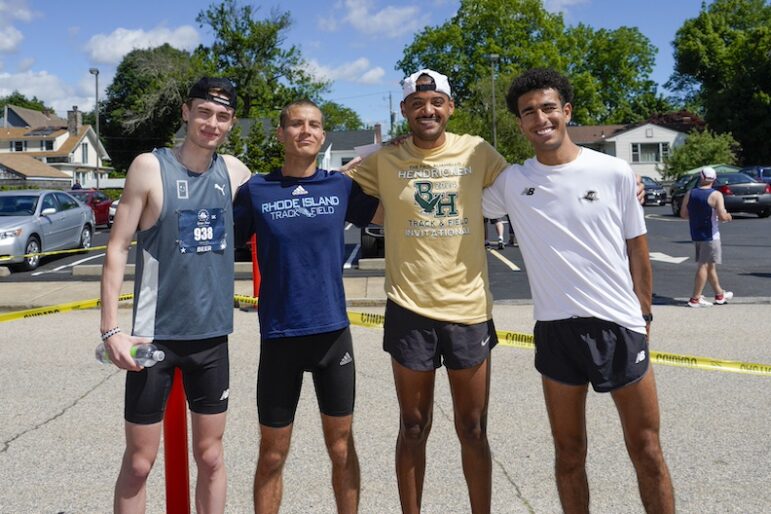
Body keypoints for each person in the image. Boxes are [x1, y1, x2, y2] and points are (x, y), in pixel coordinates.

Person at [483, 68, 675, 514]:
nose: (540, 118)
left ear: (566, 111)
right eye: (528, 111)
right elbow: (450, 186)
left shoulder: (613, 171)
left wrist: (643, 316)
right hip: (556, 331)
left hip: (620, 325)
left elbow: (638, 250)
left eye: (548, 107)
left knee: (646, 450)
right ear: (519, 123)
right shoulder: (512, 182)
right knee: (569, 455)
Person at [346, 69, 507, 514]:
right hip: (408, 308)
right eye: (417, 104)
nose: (427, 110)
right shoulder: (384, 160)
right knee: (413, 427)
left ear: (450, 107)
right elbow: (335, 183)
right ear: (404, 111)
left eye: (436, 102)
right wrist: (379, 148)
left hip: (468, 309)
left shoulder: (478, 151)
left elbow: (530, 187)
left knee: (472, 428)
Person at [99, 77, 251, 514]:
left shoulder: (234, 172)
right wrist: (111, 330)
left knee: (211, 457)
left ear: (231, 123)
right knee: (140, 463)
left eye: (222, 116)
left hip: (211, 339)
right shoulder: (150, 166)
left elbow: (290, 188)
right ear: (186, 112)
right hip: (152, 339)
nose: (212, 123)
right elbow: (116, 248)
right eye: (204, 112)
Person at [233, 99, 380, 514]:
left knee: (340, 448)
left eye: (314, 125)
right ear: (281, 133)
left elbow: (398, 211)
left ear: (323, 135)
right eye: (296, 124)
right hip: (280, 337)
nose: (306, 131)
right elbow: (218, 243)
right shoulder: (256, 191)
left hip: (332, 335)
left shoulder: (340, 187)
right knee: (273, 454)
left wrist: (409, 151)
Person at [679, 166, 733, 307]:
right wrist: (728, 216)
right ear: (714, 180)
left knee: (710, 266)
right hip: (711, 235)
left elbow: (683, 214)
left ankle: (719, 295)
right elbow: (722, 216)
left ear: (701, 178)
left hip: (697, 234)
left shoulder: (690, 193)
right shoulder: (716, 195)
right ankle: (695, 298)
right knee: (704, 265)